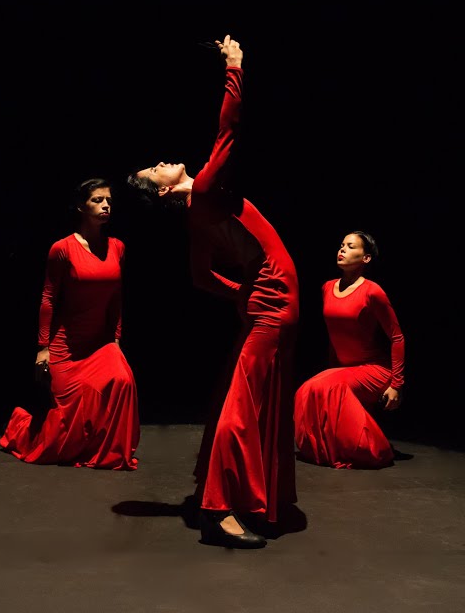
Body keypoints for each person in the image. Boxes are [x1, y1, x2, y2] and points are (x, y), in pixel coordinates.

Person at [127, 35, 298, 549]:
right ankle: (221, 511)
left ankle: (239, 498)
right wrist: (235, 67)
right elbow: (229, 129)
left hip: (266, 299)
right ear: (162, 189)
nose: (161, 159)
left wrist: (241, 295)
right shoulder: (201, 193)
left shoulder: (197, 217)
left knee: (244, 397)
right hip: (274, 301)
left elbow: (201, 279)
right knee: (244, 405)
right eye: (155, 168)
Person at [0, 178, 140, 470]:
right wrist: (43, 348)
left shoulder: (118, 248)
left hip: (101, 343)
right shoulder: (62, 249)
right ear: (80, 206)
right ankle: (20, 427)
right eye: (98, 200)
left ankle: (109, 453)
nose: (105, 205)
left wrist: (115, 340)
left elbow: (117, 297)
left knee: (123, 381)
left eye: (109, 201)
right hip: (67, 347)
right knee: (62, 439)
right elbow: (48, 299)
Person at [294, 231, 405, 469]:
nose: (342, 249)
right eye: (341, 245)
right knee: (306, 390)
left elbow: (397, 337)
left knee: (325, 387)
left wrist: (397, 384)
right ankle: (324, 450)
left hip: (375, 369)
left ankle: (374, 450)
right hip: (346, 367)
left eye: (350, 246)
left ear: (365, 258)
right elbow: (336, 336)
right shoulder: (327, 288)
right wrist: (331, 368)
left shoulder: (373, 291)